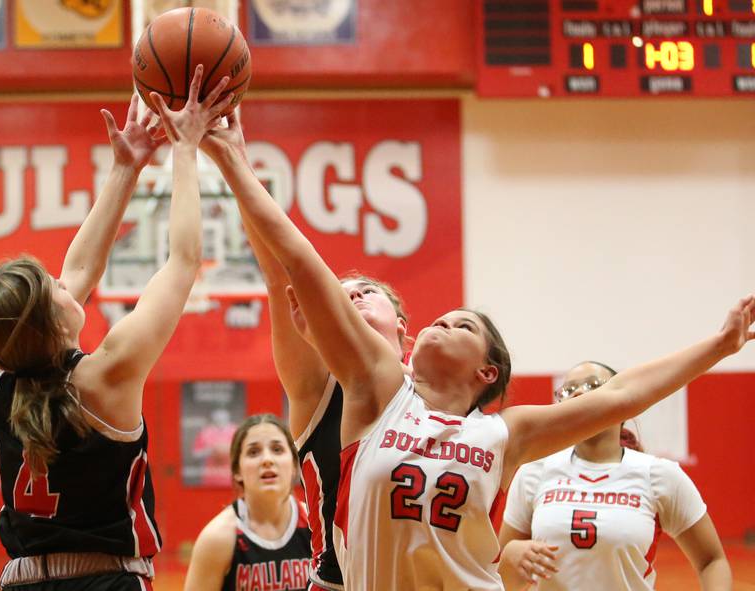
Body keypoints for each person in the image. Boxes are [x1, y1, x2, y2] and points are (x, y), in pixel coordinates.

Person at [205, 113, 754, 590]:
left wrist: (720, 344)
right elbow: (296, 264)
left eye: (461, 323)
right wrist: (233, 163)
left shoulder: (502, 434)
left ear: (486, 369)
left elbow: (626, 393)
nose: (444, 320)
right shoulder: (376, 391)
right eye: (441, 318)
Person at [0, 66, 233, 590]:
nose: (68, 284)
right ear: (52, 320)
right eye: (56, 289)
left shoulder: (4, 378)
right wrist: (184, 149)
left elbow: (80, 273)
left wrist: (126, 168)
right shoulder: (105, 378)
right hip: (105, 579)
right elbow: (183, 261)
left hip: (20, 579)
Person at [200, 117, 410, 591]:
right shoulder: (320, 389)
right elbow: (281, 276)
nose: (351, 297)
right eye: (341, 294)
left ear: (403, 329)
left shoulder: (435, 393)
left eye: (366, 291)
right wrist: (233, 161)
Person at [498, 361, 731, 590]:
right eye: (567, 390)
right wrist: (509, 557)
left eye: (594, 385)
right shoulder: (534, 472)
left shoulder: (658, 475)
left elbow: (712, 561)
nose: (578, 392)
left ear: (623, 404)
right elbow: (500, 579)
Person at [184, 414, 312, 591]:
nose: (267, 459)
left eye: (277, 449)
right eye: (253, 452)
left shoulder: (317, 527)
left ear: (294, 465)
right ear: (237, 471)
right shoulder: (217, 538)